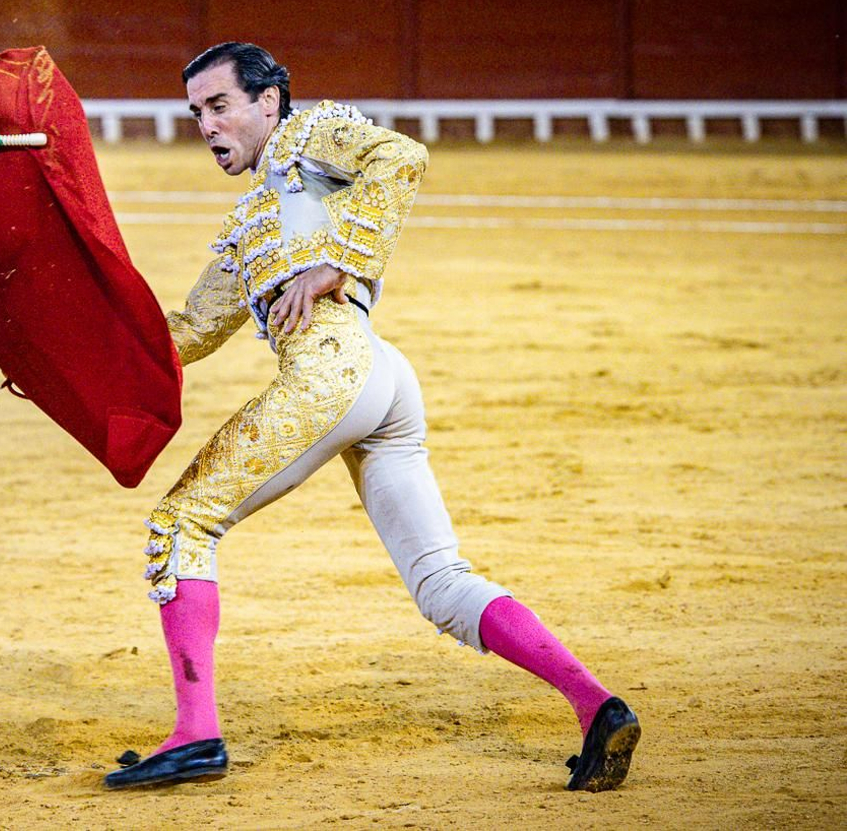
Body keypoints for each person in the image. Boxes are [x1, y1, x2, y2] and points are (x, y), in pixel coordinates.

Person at [103, 42, 640, 792]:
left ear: (268, 101)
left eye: (219, 105)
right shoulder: (249, 221)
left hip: (334, 371)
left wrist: (341, 263)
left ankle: (196, 734)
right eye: (197, 112)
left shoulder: (308, 138)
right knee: (440, 582)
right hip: (381, 381)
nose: (207, 124)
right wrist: (68, 362)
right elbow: (189, 331)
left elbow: (403, 157)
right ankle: (597, 705)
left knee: (182, 523)